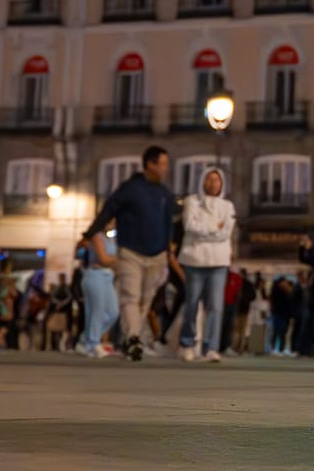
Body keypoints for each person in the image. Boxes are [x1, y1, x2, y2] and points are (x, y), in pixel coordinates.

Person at [84, 146, 177, 362]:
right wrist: (90, 232)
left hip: (156, 255)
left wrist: (167, 249)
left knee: (145, 299)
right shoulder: (130, 189)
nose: (166, 168)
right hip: (130, 252)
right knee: (130, 296)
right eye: (163, 163)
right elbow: (108, 210)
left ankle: (133, 337)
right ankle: (133, 338)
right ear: (150, 164)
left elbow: (169, 223)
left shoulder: (164, 194)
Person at [178, 166, 235, 362]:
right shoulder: (192, 201)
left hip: (218, 262)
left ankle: (211, 347)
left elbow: (225, 232)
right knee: (192, 303)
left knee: (216, 305)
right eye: (209, 179)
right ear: (203, 181)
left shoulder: (228, 206)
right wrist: (214, 229)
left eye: (216, 180)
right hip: (195, 260)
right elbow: (190, 226)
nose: (213, 183)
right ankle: (187, 342)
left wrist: (205, 230)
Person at [76, 245, 118, 356]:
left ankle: (85, 339)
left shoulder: (112, 239)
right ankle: (93, 343)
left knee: (112, 313)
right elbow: (103, 259)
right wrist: (116, 259)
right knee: (96, 312)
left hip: (108, 275)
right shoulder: (95, 237)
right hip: (95, 274)